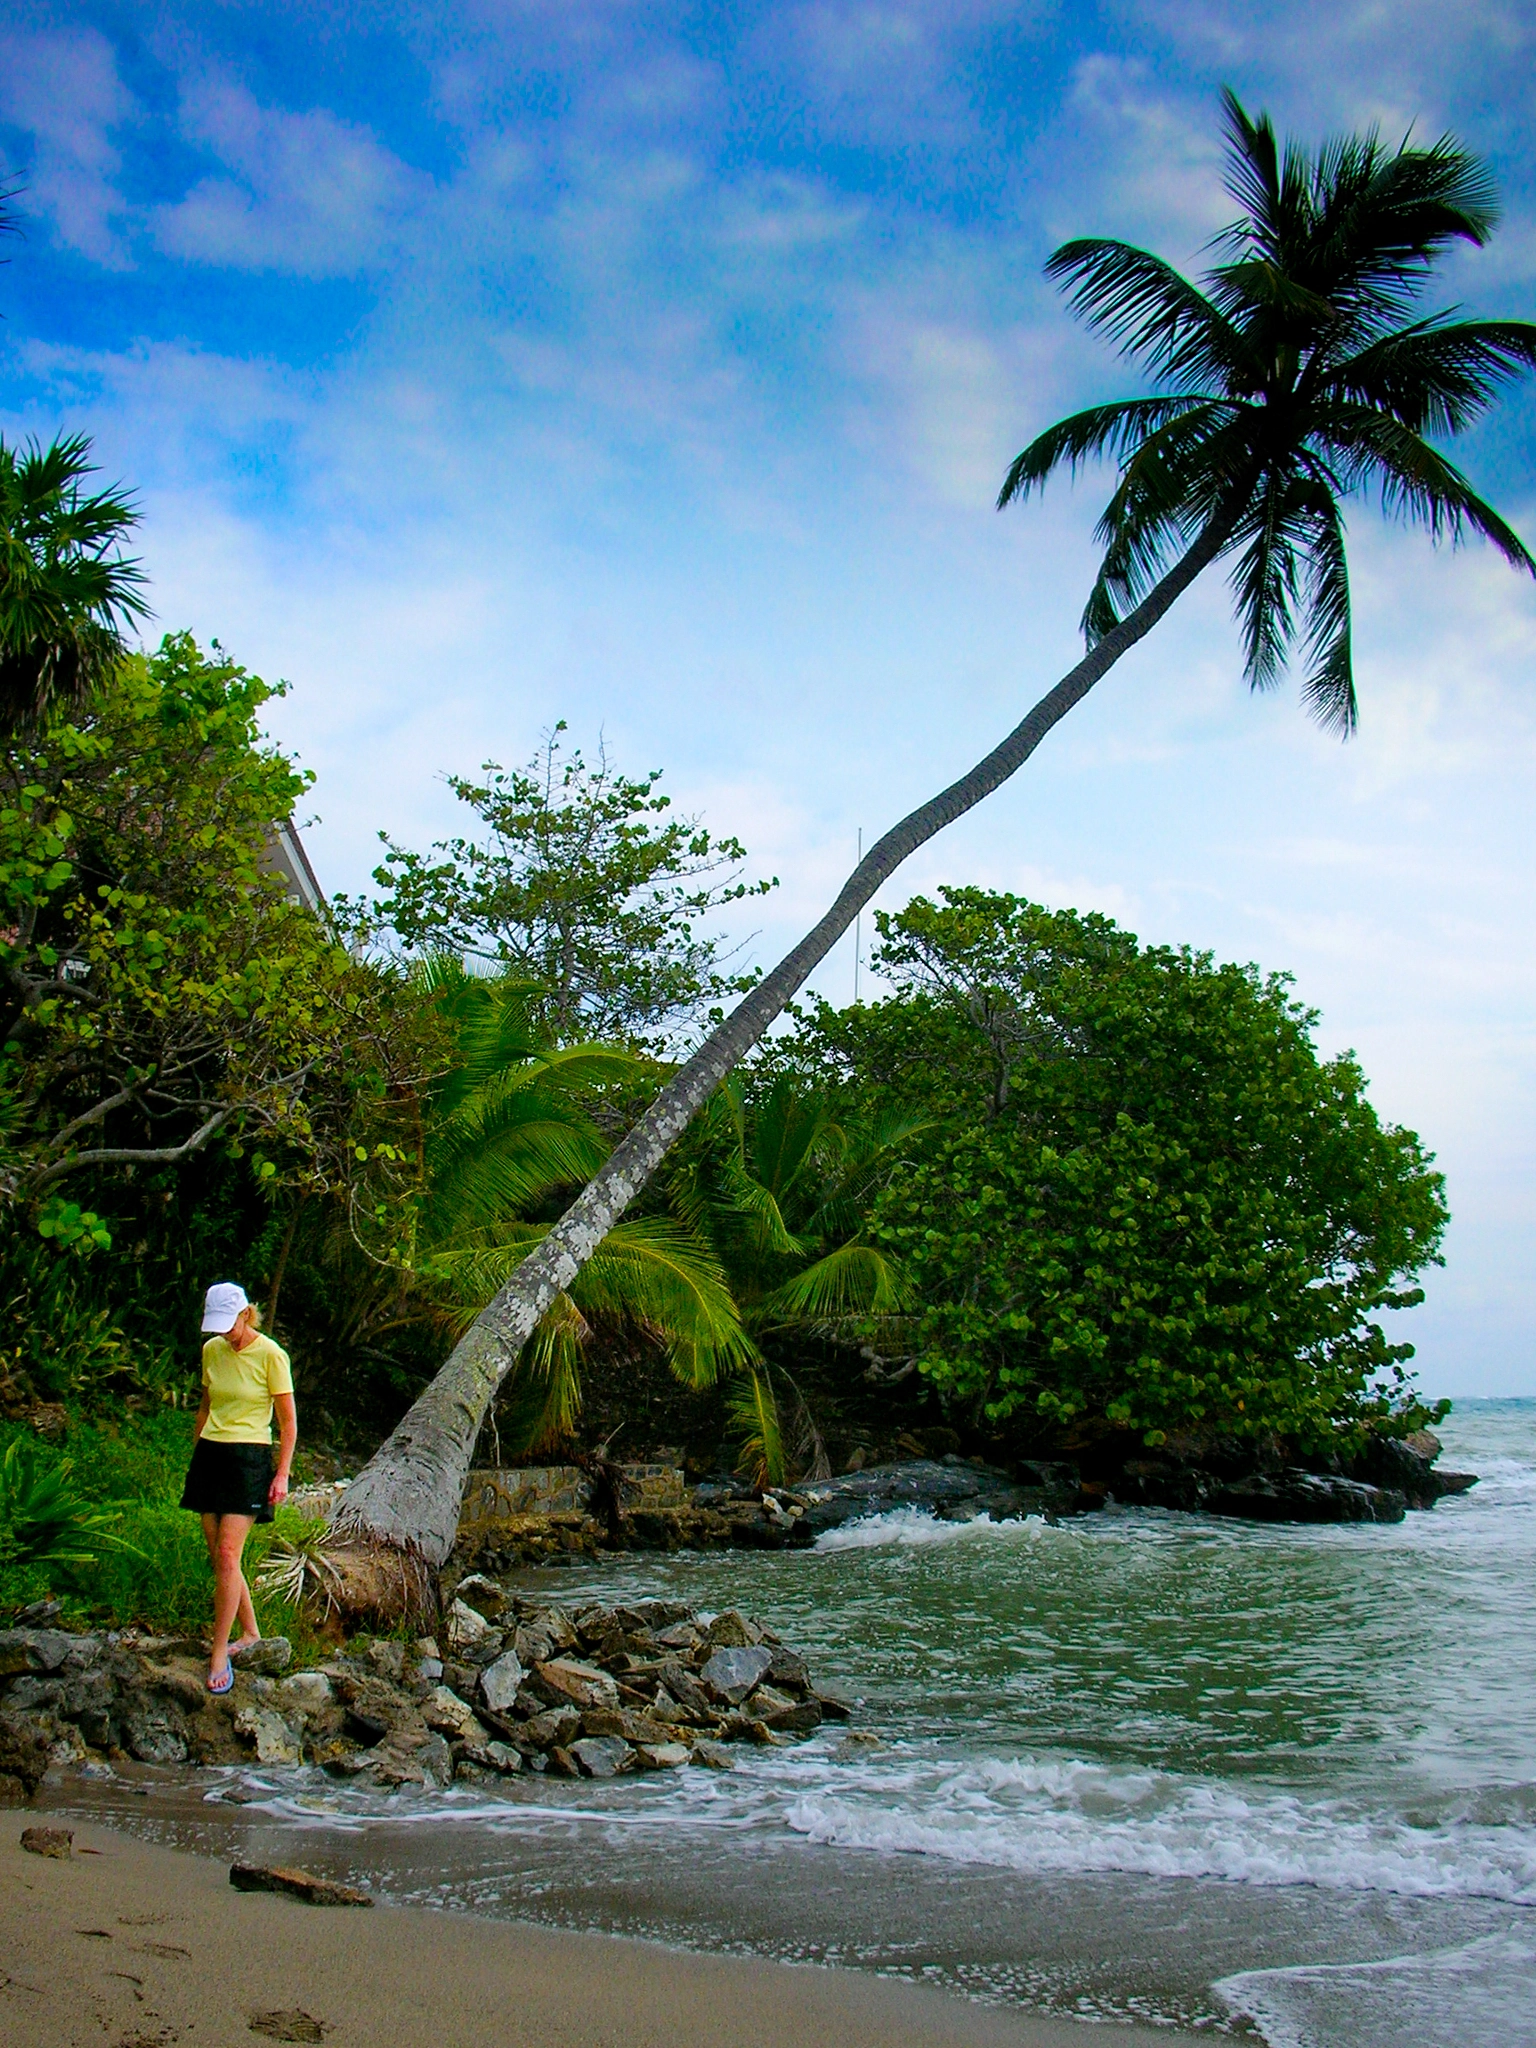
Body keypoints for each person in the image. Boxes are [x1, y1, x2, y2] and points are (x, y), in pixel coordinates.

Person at [178, 1281, 297, 1694]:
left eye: (229, 1324)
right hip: (212, 1453)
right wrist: (196, 1454)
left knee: (230, 1553)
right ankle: (250, 1633)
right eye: (218, 1326)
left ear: (246, 1314)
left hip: (250, 1457)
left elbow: (288, 1423)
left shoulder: (271, 1355)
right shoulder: (212, 1351)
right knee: (219, 1556)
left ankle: (218, 1653)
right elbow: (207, 1405)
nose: (225, 1333)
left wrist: (281, 1474)